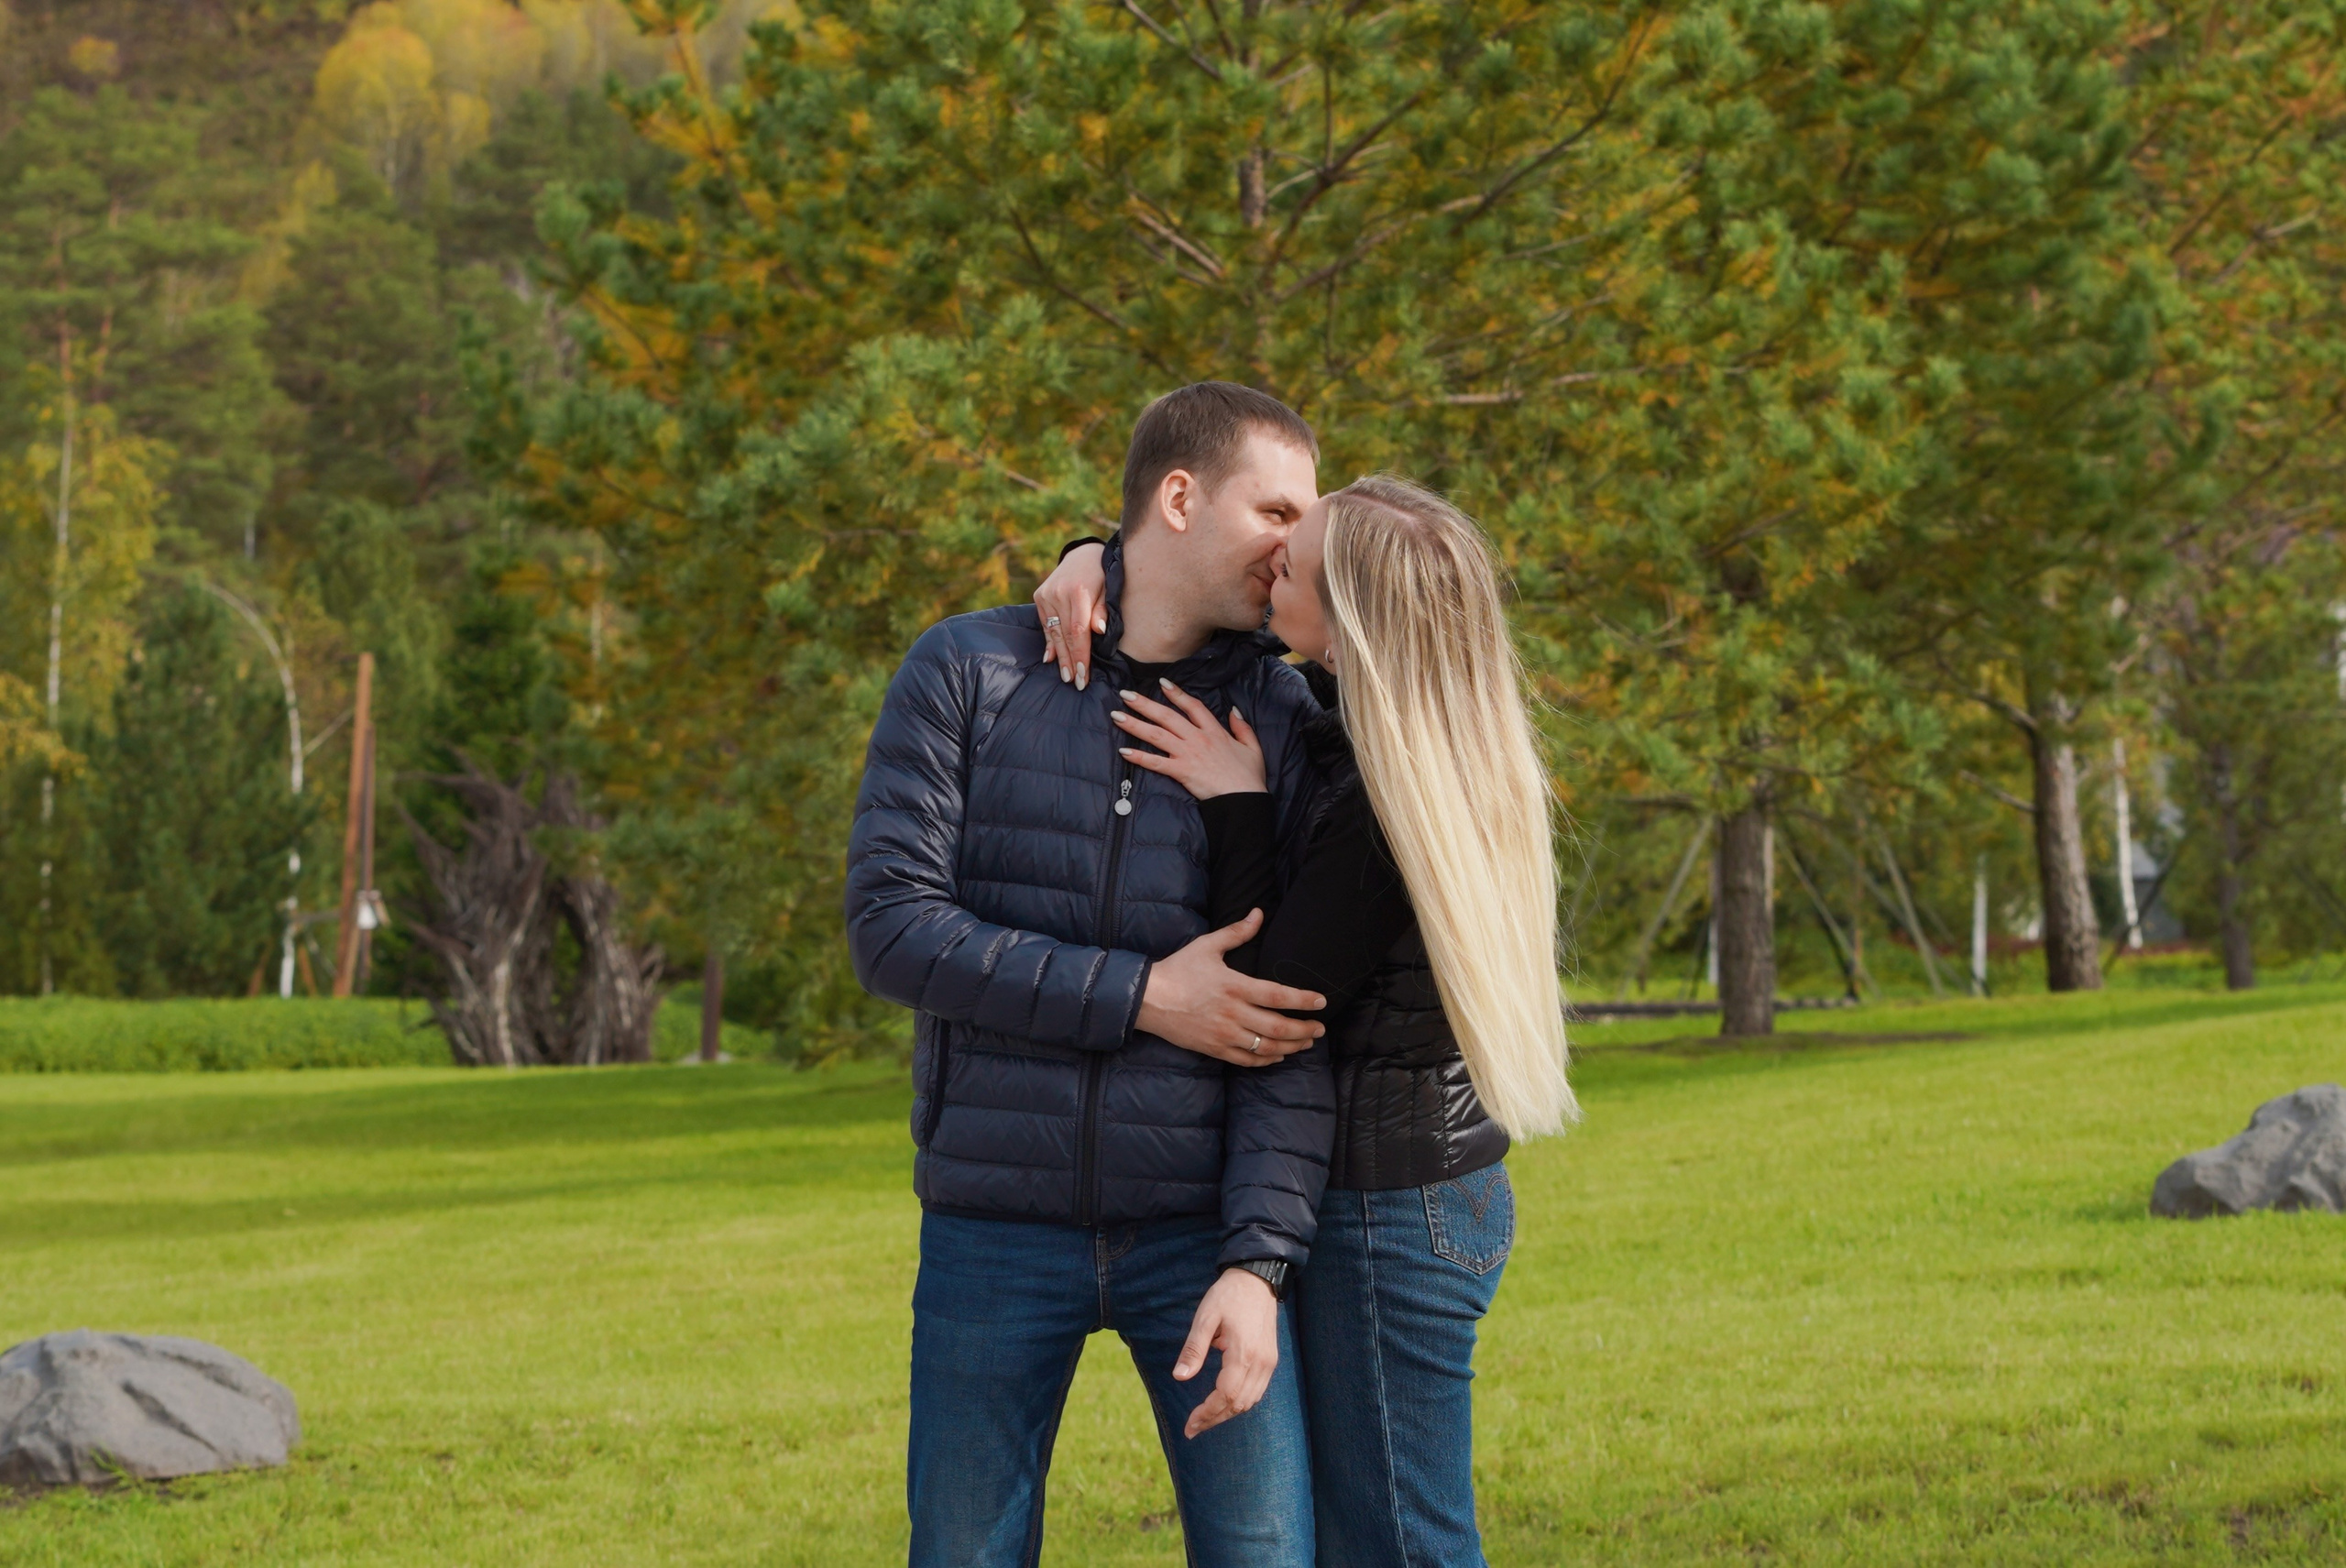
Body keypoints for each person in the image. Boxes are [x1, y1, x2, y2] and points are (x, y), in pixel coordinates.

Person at [1035, 474, 1578, 1568]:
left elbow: (1272, 990)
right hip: (1422, 1189)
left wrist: (1234, 803)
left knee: (1400, 1543)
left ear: (1351, 622)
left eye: (1297, 561)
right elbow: (1179, 583)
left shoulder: (1391, 801)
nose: (1270, 561)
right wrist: (1096, 554)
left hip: (1388, 1210)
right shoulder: (1403, 737)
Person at [846, 382, 1344, 1568]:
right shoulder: (968, 669)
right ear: (1179, 496)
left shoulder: (1285, 714)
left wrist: (1260, 1258)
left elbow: (1295, 1012)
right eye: (1276, 505)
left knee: (1267, 1548)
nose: (1298, 539)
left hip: (1199, 1232)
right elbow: (893, 927)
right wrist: (1142, 992)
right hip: (990, 1224)